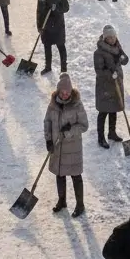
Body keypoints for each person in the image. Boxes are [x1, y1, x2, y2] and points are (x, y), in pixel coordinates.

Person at [43, 73, 89, 216]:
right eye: (62, 92)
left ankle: (80, 205)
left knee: (76, 176)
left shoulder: (77, 105)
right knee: (60, 175)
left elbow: (84, 126)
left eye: (67, 92)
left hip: (72, 148)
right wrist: (48, 140)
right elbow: (47, 122)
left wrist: (69, 130)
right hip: (57, 147)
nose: (65, 95)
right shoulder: (53, 105)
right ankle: (62, 201)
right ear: (58, 91)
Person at [94, 24, 129, 148]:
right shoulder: (99, 53)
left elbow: (125, 60)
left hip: (116, 84)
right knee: (103, 112)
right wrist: (110, 74)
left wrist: (122, 57)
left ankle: (112, 133)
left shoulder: (117, 48)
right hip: (105, 86)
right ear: (105, 38)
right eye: (109, 37)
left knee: (114, 109)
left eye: (113, 37)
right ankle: (101, 137)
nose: (112, 39)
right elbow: (99, 71)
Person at [37, 0, 70, 75]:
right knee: (47, 47)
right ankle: (48, 67)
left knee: (61, 46)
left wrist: (57, 8)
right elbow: (39, 11)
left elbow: (66, 8)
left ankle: (63, 68)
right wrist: (39, 26)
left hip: (58, 25)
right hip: (46, 26)